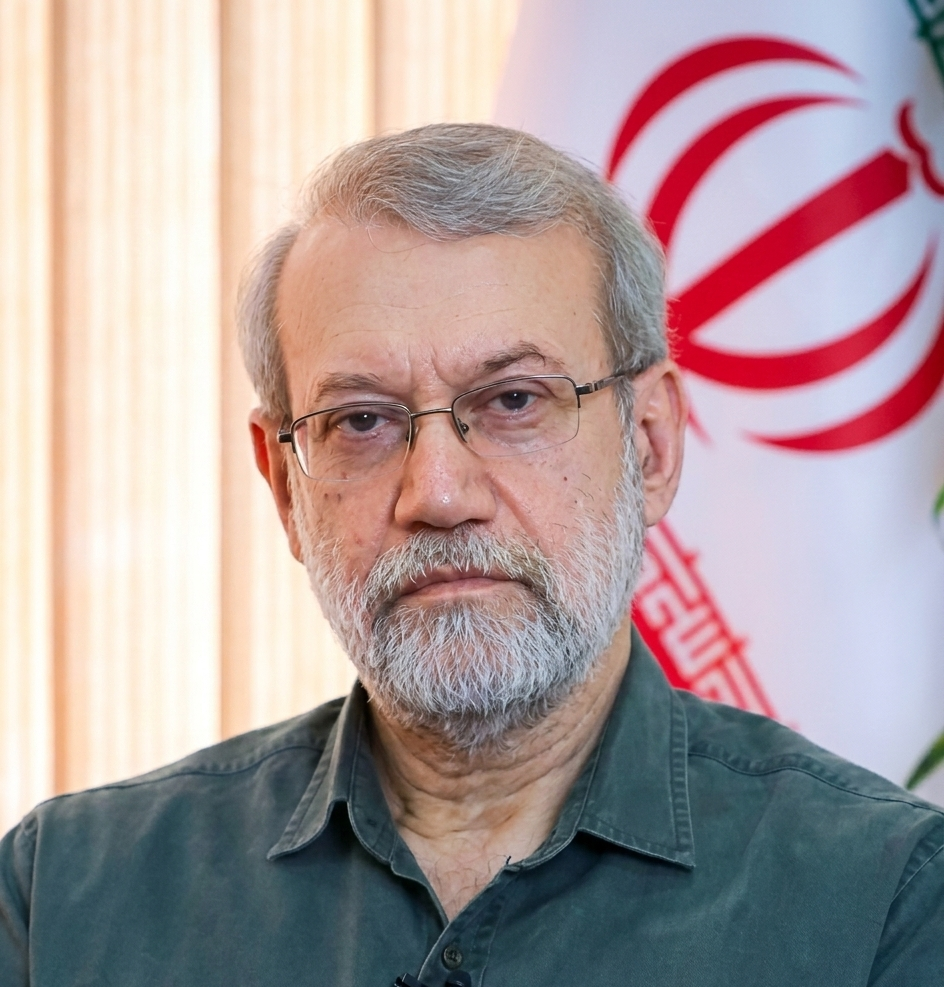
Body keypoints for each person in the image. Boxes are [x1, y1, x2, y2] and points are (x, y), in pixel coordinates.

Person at [1, 124, 942, 986]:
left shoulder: (886, 901)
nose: (439, 494)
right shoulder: (65, 899)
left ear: (650, 445)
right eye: (360, 420)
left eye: (514, 401)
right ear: (285, 485)